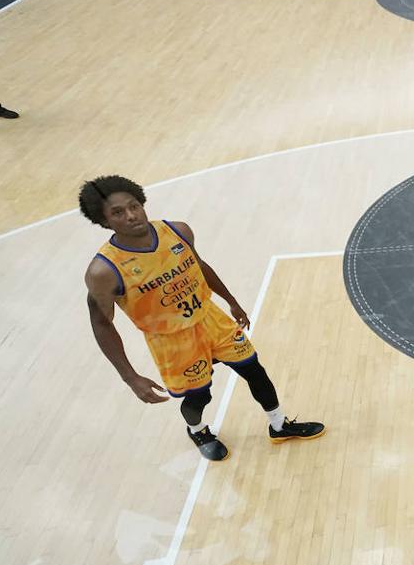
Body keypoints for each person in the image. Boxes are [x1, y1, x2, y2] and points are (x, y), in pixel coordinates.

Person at [82, 175, 324, 461]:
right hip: (172, 340)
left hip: (210, 318)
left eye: (134, 206)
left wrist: (231, 301)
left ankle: (279, 425)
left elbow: (199, 264)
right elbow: (101, 324)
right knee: (199, 396)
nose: (132, 215)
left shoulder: (178, 231)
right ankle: (197, 429)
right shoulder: (104, 271)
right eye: (118, 213)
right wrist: (130, 377)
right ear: (104, 220)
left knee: (254, 370)